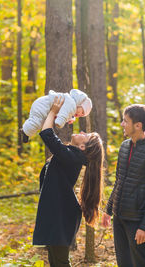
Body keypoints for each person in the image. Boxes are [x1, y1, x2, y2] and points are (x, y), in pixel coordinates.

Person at [33, 96, 104, 266]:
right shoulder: (71, 155)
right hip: (57, 213)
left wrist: (53, 112)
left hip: (61, 216)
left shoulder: (72, 158)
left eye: (85, 136)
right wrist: (63, 115)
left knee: (60, 262)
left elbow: (47, 134)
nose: (81, 132)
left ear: (82, 147)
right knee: (55, 261)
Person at [102, 104, 145, 267]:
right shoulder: (124, 147)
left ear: (138, 125)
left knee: (140, 264)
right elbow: (119, 180)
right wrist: (109, 210)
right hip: (119, 216)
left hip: (137, 220)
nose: (122, 124)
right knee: (123, 263)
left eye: (125, 121)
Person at [21, 89, 92, 142]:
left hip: (41, 104)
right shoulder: (71, 104)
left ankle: (26, 131)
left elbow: (64, 111)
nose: (80, 115)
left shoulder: (69, 101)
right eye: (82, 112)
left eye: (82, 115)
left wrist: (69, 118)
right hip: (43, 107)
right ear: (79, 104)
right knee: (37, 122)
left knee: (38, 122)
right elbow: (63, 115)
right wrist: (60, 122)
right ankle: (25, 131)